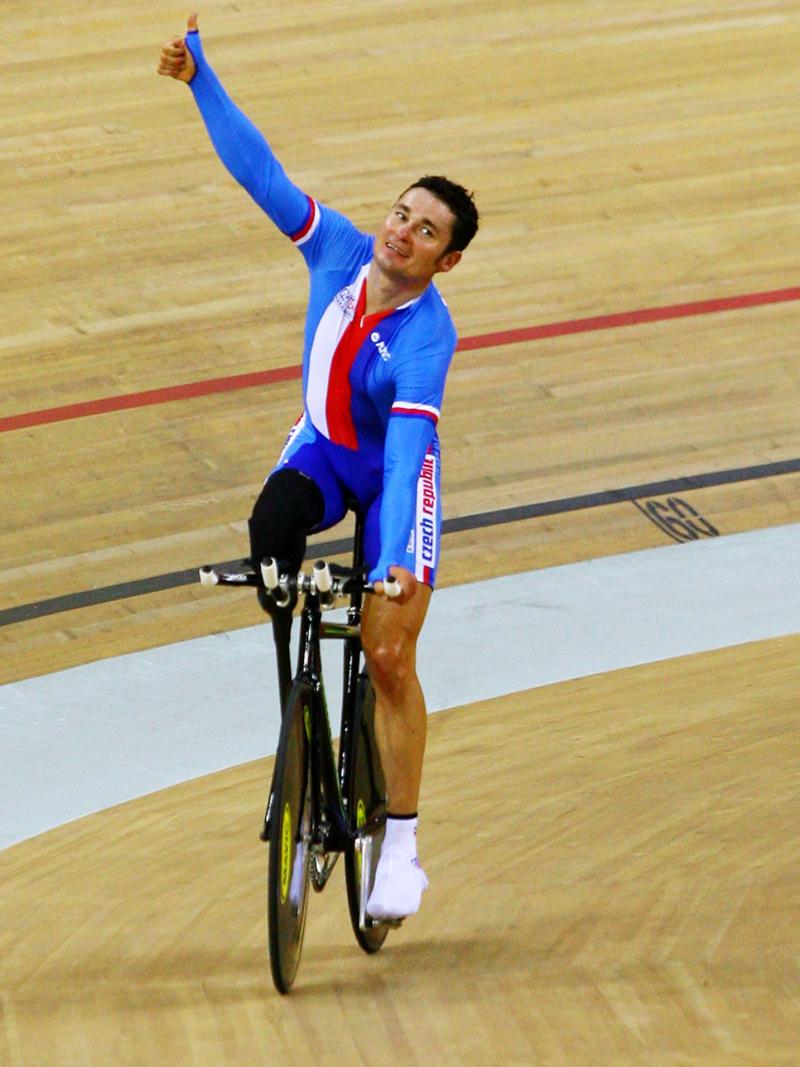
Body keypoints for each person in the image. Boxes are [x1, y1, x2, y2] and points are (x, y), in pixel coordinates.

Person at [158, 14, 478, 920]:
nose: (401, 232)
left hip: (390, 483)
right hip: (322, 451)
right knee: (269, 539)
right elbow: (261, 172)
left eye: (424, 232)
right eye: (401, 212)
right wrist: (200, 79)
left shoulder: (428, 335)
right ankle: (302, 722)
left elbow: (411, 444)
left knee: (385, 649)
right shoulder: (338, 247)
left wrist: (397, 565)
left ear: (445, 259)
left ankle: (403, 848)